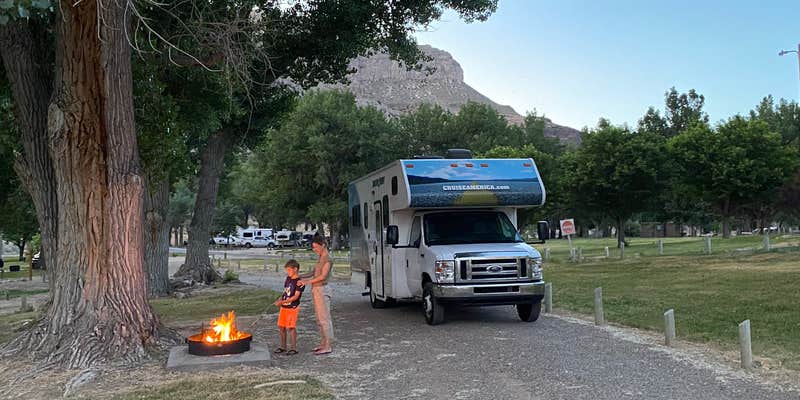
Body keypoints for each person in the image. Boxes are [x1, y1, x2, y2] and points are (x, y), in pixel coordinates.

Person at [299, 233, 334, 355]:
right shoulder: (320, 258)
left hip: (322, 290)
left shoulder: (327, 259)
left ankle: (328, 345)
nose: (314, 249)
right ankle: (323, 343)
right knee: (319, 319)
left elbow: (322, 276)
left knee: (324, 319)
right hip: (316, 289)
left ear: (323, 245)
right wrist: (300, 276)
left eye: (316, 247)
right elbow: (314, 272)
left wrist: (307, 282)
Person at [274, 259, 305, 355]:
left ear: (295, 269)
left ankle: (293, 348)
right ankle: (283, 347)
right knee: (281, 326)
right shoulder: (288, 279)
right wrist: (281, 299)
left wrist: (283, 301)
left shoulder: (299, 282)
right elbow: (286, 291)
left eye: (289, 270)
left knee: (291, 327)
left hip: (292, 307)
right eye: (287, 270)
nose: (287, 272)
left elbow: (295, 297)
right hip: (284, 307)